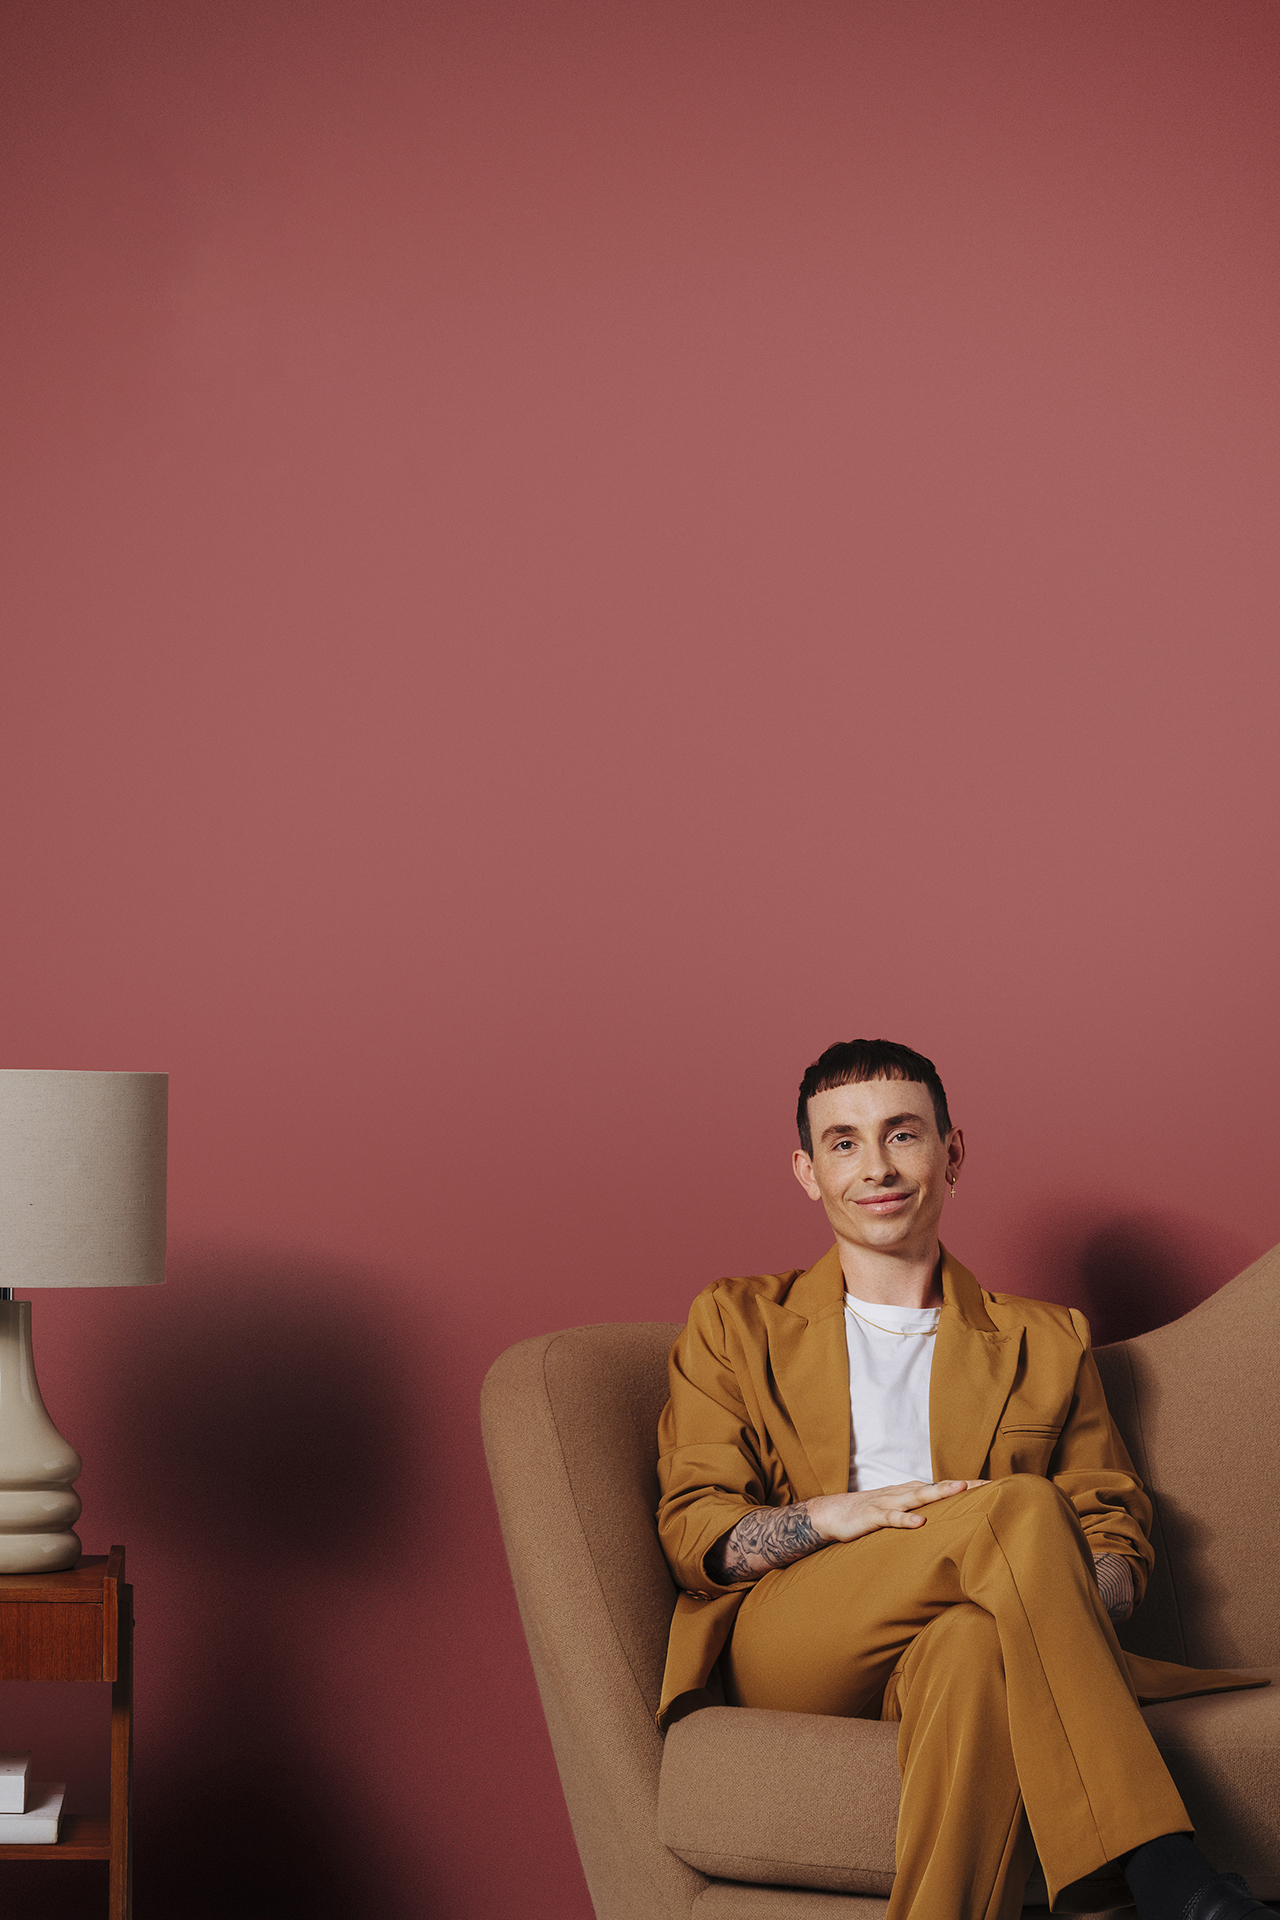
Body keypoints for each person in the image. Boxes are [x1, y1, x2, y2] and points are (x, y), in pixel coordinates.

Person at [655, 1039, 1267, 1920]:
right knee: (1018, 1507)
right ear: (806, 1170)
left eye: (902, 1135)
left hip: (967, 1629)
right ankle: (1166, 1871)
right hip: (797, 1634)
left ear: (953, 1152)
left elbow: (1111, 1529)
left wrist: (1047, 1598)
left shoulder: (1046, 1339)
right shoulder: (733, 1320)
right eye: (843, 1142)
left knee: (979, 1648)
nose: (876, 1166)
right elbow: (697, 1527)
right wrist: (831, 1517)